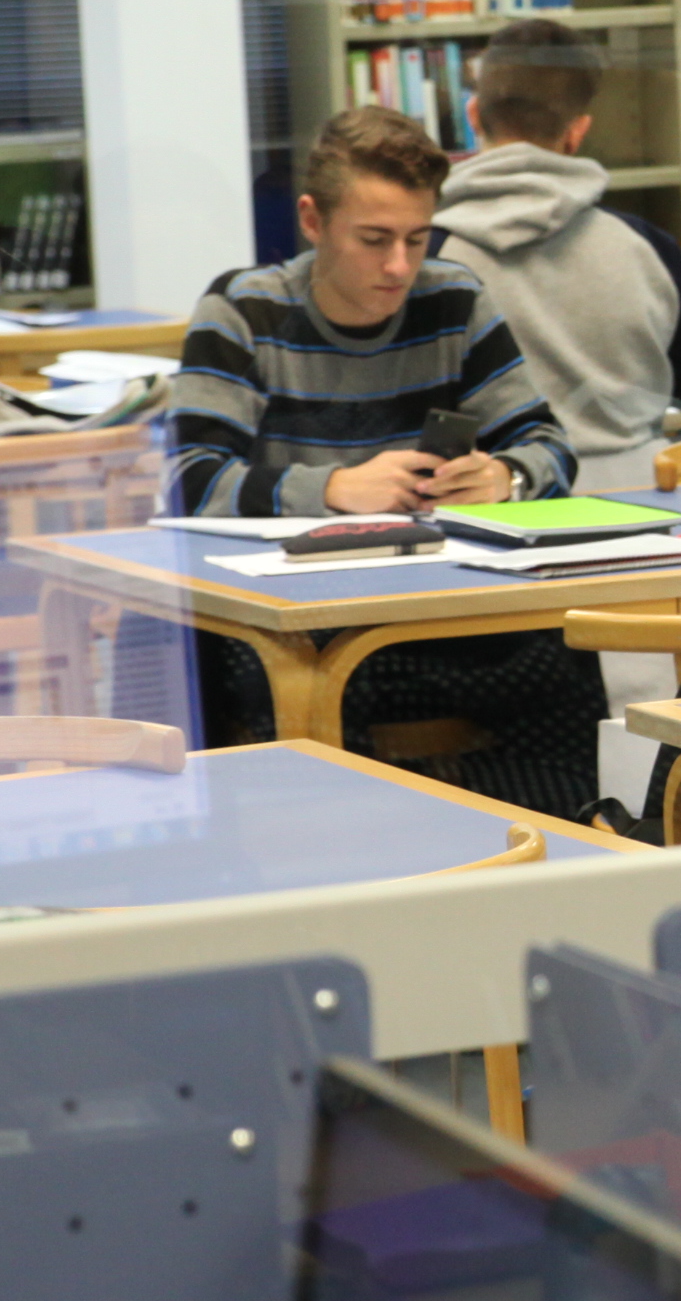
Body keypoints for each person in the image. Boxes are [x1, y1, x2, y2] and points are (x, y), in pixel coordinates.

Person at [169, 106, 595, 810]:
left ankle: (544, 843)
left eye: (417, 238)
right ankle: (363, 867)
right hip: (290, 621)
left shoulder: (454, 299)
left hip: (432, 610)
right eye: (373, 240)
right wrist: (334, 488)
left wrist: (505, 477)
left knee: (564, 651)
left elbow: (548, 445)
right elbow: (190, 479)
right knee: (321, 683)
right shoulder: (243, 311)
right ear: (312, 221)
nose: (400, 265)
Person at [432, 18, 681, 494]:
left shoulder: (426, 253)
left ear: (473, 116)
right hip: (642, 503)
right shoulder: (642, 246)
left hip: (497, 507)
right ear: (577, 132)